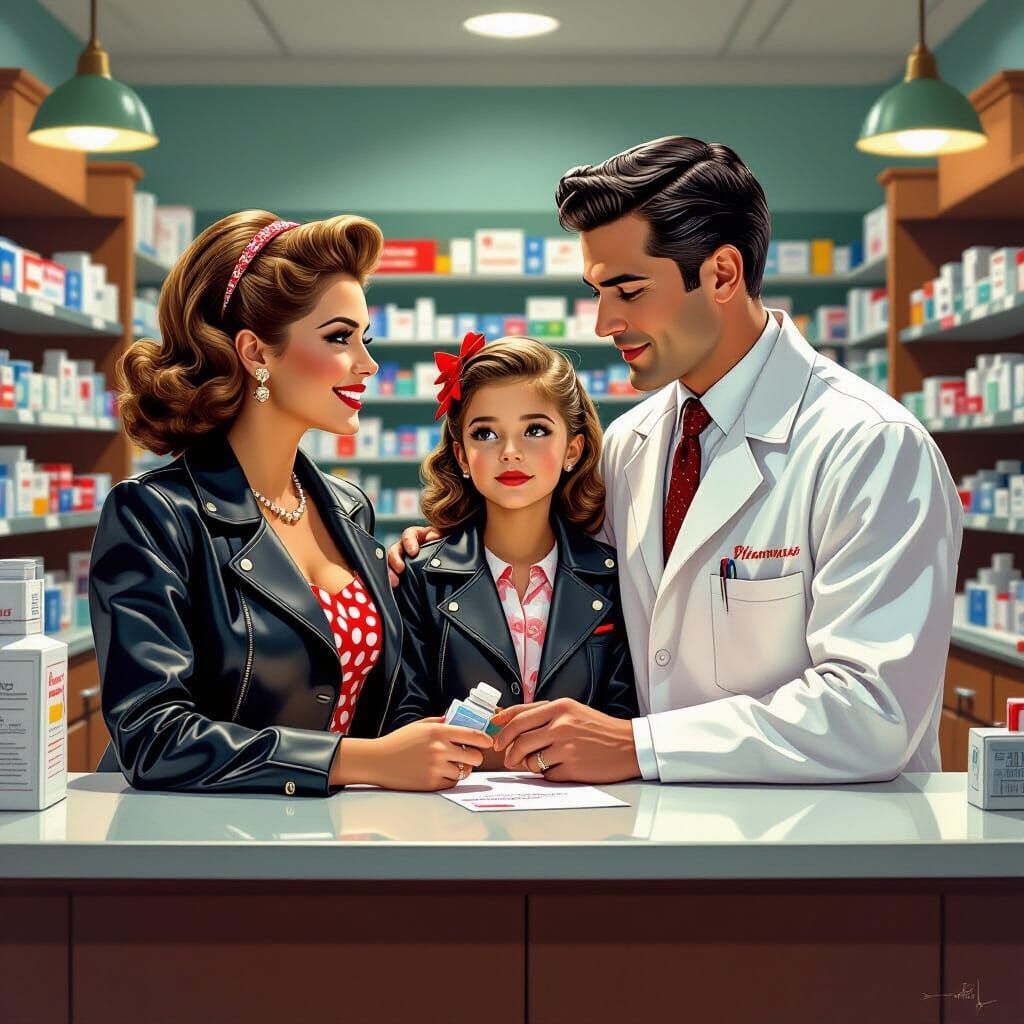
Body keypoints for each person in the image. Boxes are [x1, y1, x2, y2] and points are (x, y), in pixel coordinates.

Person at [389, 136, 963, 785]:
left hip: (824, 852)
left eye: (628, 291)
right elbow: (561, 558)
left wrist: (640, 746)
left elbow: (873, 713)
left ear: (721, 274)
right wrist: (442, 547)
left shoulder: (870, 447)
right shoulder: (632, 445)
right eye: (597, 291)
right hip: (659, 838)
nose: (604, 321)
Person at [89, 210, 491, 796]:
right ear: (256, 351)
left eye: (364, 338)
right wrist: (362, 761)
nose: (367, 363)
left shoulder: (349, 510)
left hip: (334, 840)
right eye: (338, 337)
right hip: (196, 850)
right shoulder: (154, 516)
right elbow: (153, 737)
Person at [387, 336, 637, 773]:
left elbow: (624, 721)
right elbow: (403, 727)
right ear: (462, 456)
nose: (510, 452)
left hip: (590, 821)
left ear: (572, 450)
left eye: (535, 429)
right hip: (450, 823)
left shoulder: (613, 576)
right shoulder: (418, 576)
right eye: (485, 433)